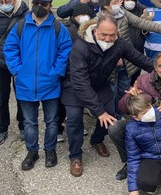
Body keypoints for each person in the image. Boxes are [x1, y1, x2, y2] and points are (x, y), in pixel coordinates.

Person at [61, 15, 155, 177]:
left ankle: (97, 140)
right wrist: (98, 111)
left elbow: (141, 60)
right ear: (96, 31)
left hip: (99, 84)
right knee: (75, 118)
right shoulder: (80, 46)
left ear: (117, 33)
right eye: (104, 35)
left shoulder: (119, 44)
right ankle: (75, 156)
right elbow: (80, 83)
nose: (108, 38)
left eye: (112, 35)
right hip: (75, 86)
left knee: (110, 112)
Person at [4, 0, 72, 170]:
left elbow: (65, 51)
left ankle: (50, 150)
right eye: (36, 3)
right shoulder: (20, 26)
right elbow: (10, 49)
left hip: (50, 83)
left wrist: (57, 72)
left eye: (44, 4)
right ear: (32, 3)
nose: (39, 7)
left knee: (52, 121)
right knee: (29, 122)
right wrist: (18, 71)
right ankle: (32, 151)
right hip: (25, 84)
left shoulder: (58, 28)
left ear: (50, 6)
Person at [98, 0, 161, 119]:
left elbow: (141, 23)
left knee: (123, 92)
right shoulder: (98, 21)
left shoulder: (122, 14)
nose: (118, 4)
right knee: (110, 94)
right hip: (108, 66)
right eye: (114, 3)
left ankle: (120, 118)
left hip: (126, 62)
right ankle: (107, 121)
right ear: (105, 6)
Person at [109, 52, 161, 181]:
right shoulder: (142, 80)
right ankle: (129, 162)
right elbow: (122, 108)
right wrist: (129, 97)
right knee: (115, 127)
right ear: (155, 66)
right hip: (141, 125)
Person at [57, 3, 95, 142]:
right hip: (66, 72)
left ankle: (78, 125)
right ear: (74, 16)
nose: (84, 17)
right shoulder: (66, 30)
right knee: (61, 104)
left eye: (87, 15)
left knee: (80, 102)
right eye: (80, 15)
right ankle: (58, 129)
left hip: (83, 72)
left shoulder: (92, 30)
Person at [0, 0, 28, 144]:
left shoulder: (25, 14)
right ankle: (2, 128)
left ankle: (23, 126)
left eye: (7, 1)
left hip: (19, 62)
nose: (5, 4)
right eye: (1, 2)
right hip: (0, 62)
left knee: (21, 96)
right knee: (1, 98)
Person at [121, 0, 146, 84]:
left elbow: (146, 31)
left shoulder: (142, 11)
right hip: (124, 53)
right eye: (127, 0)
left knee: (135, 80)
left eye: (132, 0)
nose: (130, 2)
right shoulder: (119, 12)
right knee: (124, 81)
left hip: (138, 51)